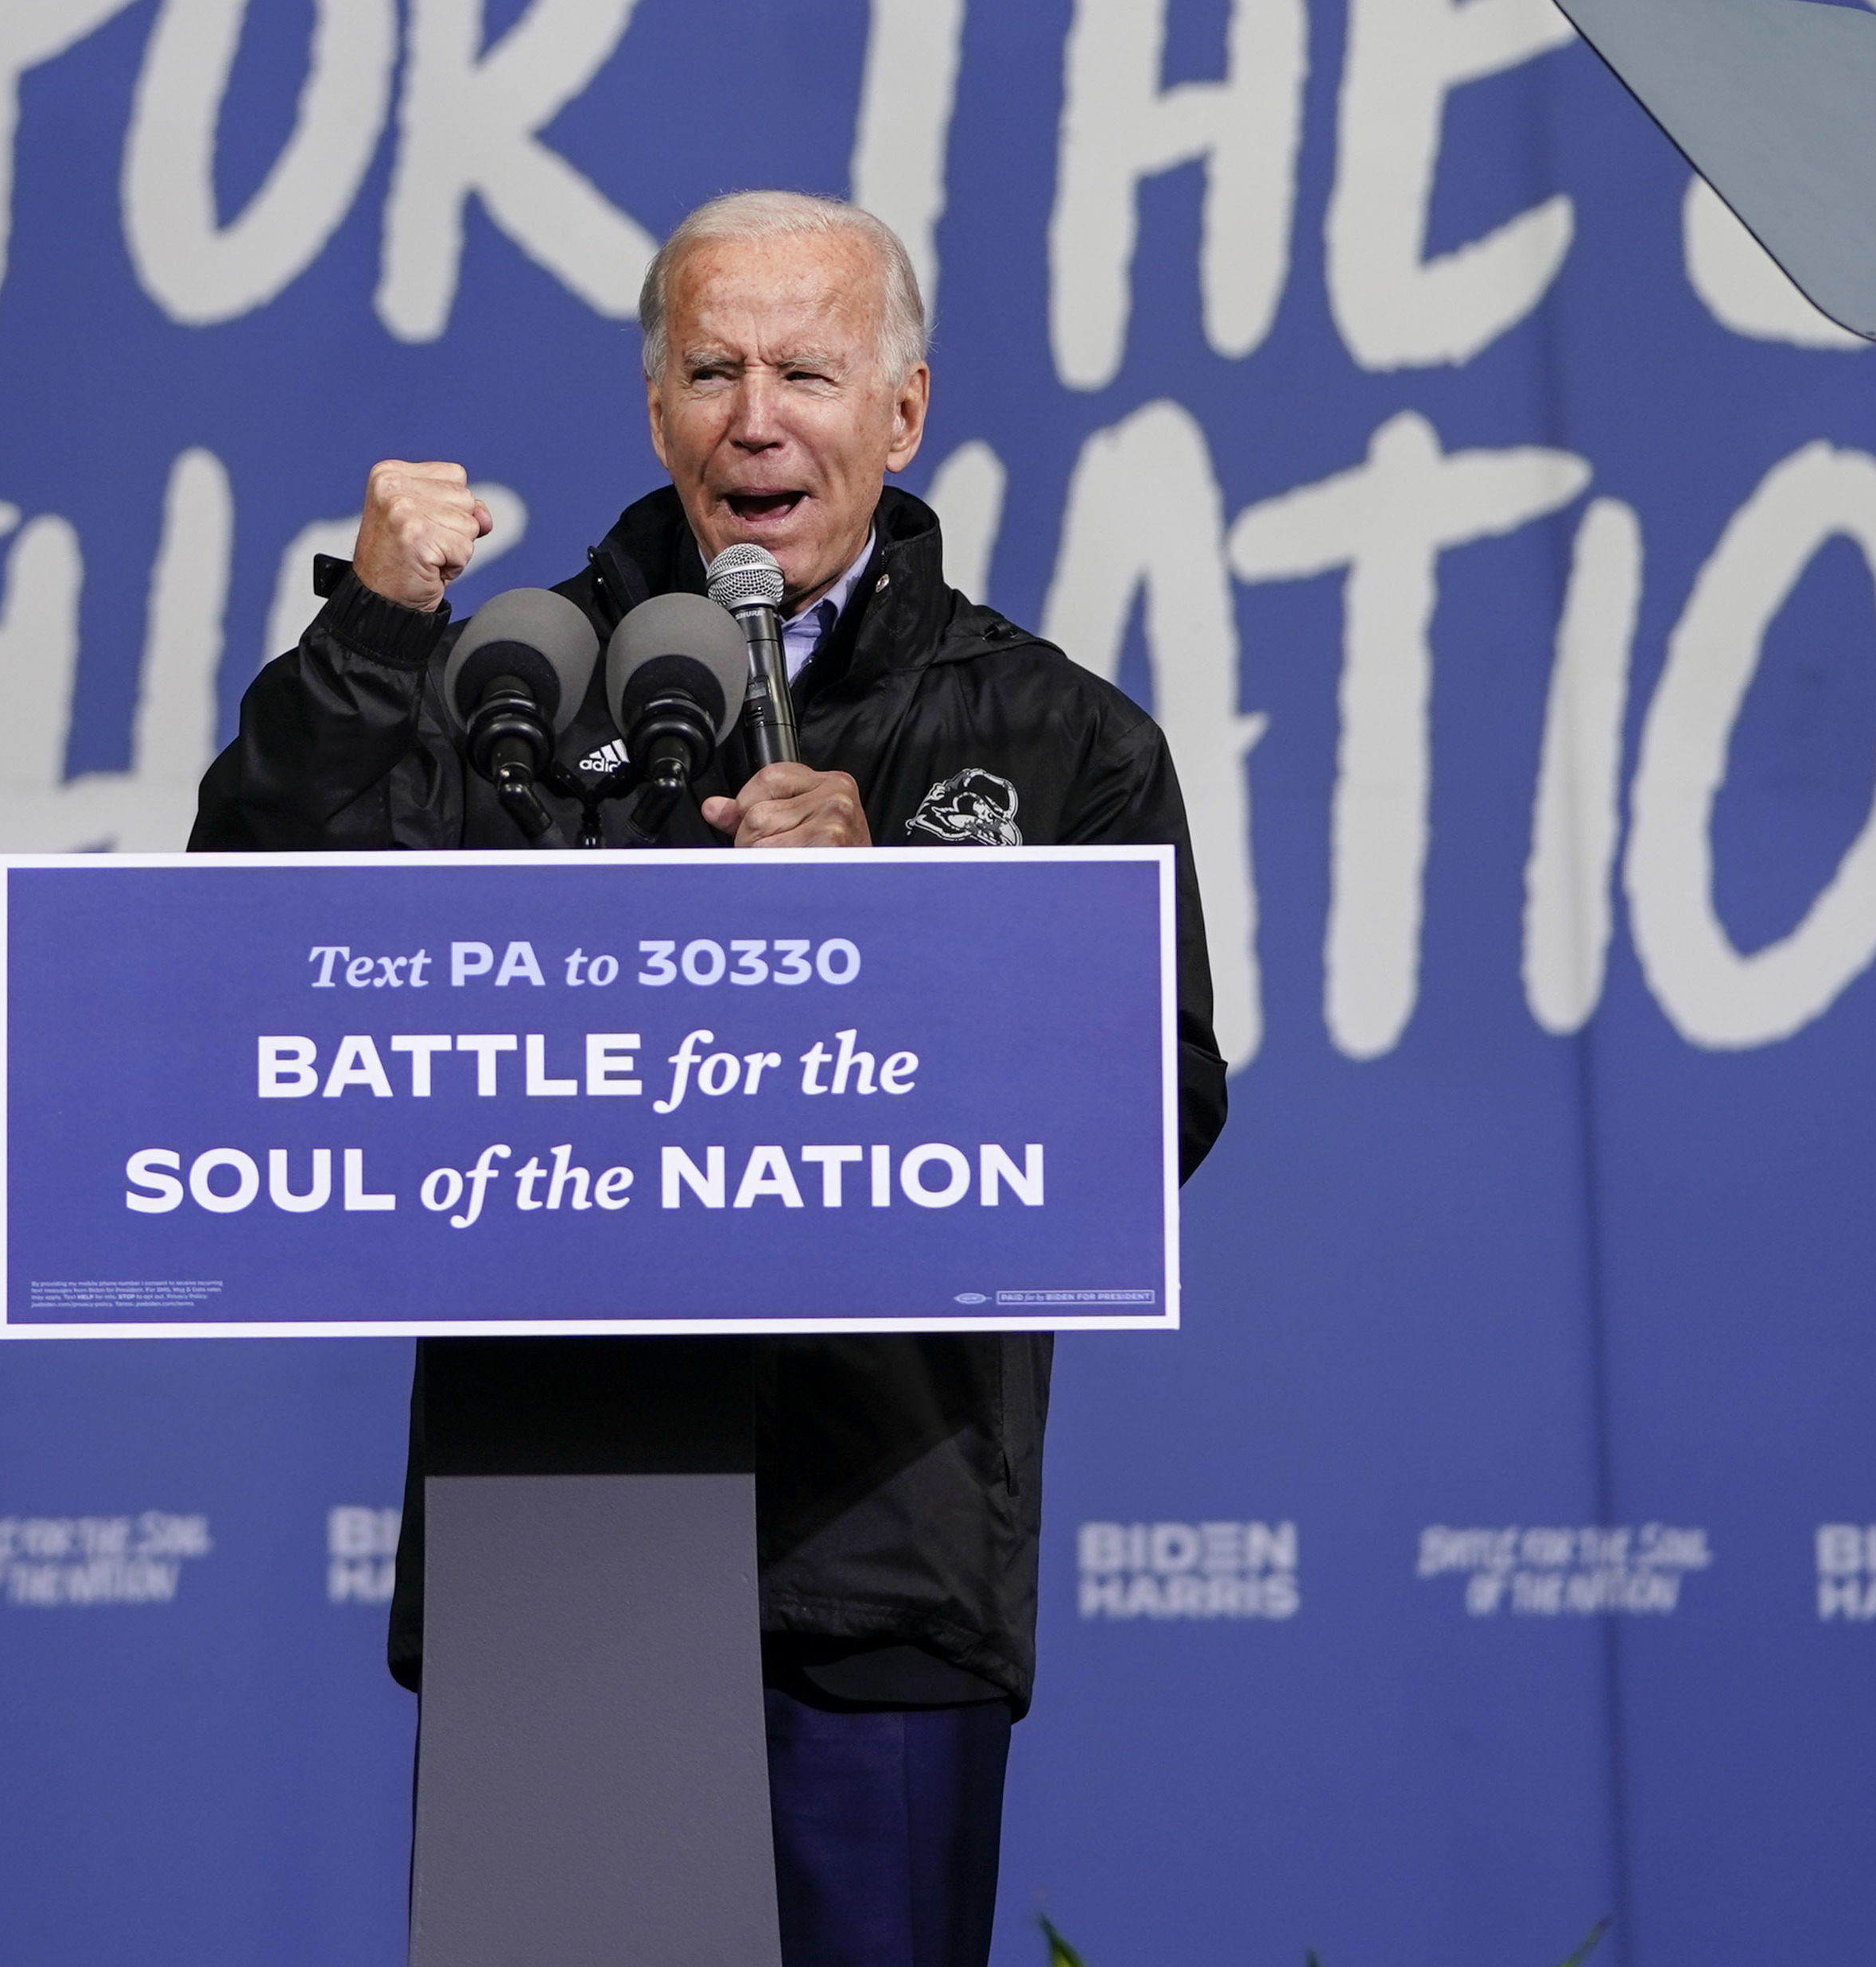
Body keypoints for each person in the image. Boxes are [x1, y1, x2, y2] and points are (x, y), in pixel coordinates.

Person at [192, 188, 1231, 1967]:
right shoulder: (506, 682)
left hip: (883, 1548)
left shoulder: (1055, 734)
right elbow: (239, 958)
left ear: (901, 411)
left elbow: (1153, 1114)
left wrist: (902, 919)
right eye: (711, 370)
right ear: (657, 407)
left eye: (806, 373)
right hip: (554, 1527)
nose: (756, 419)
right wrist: (368, 632)